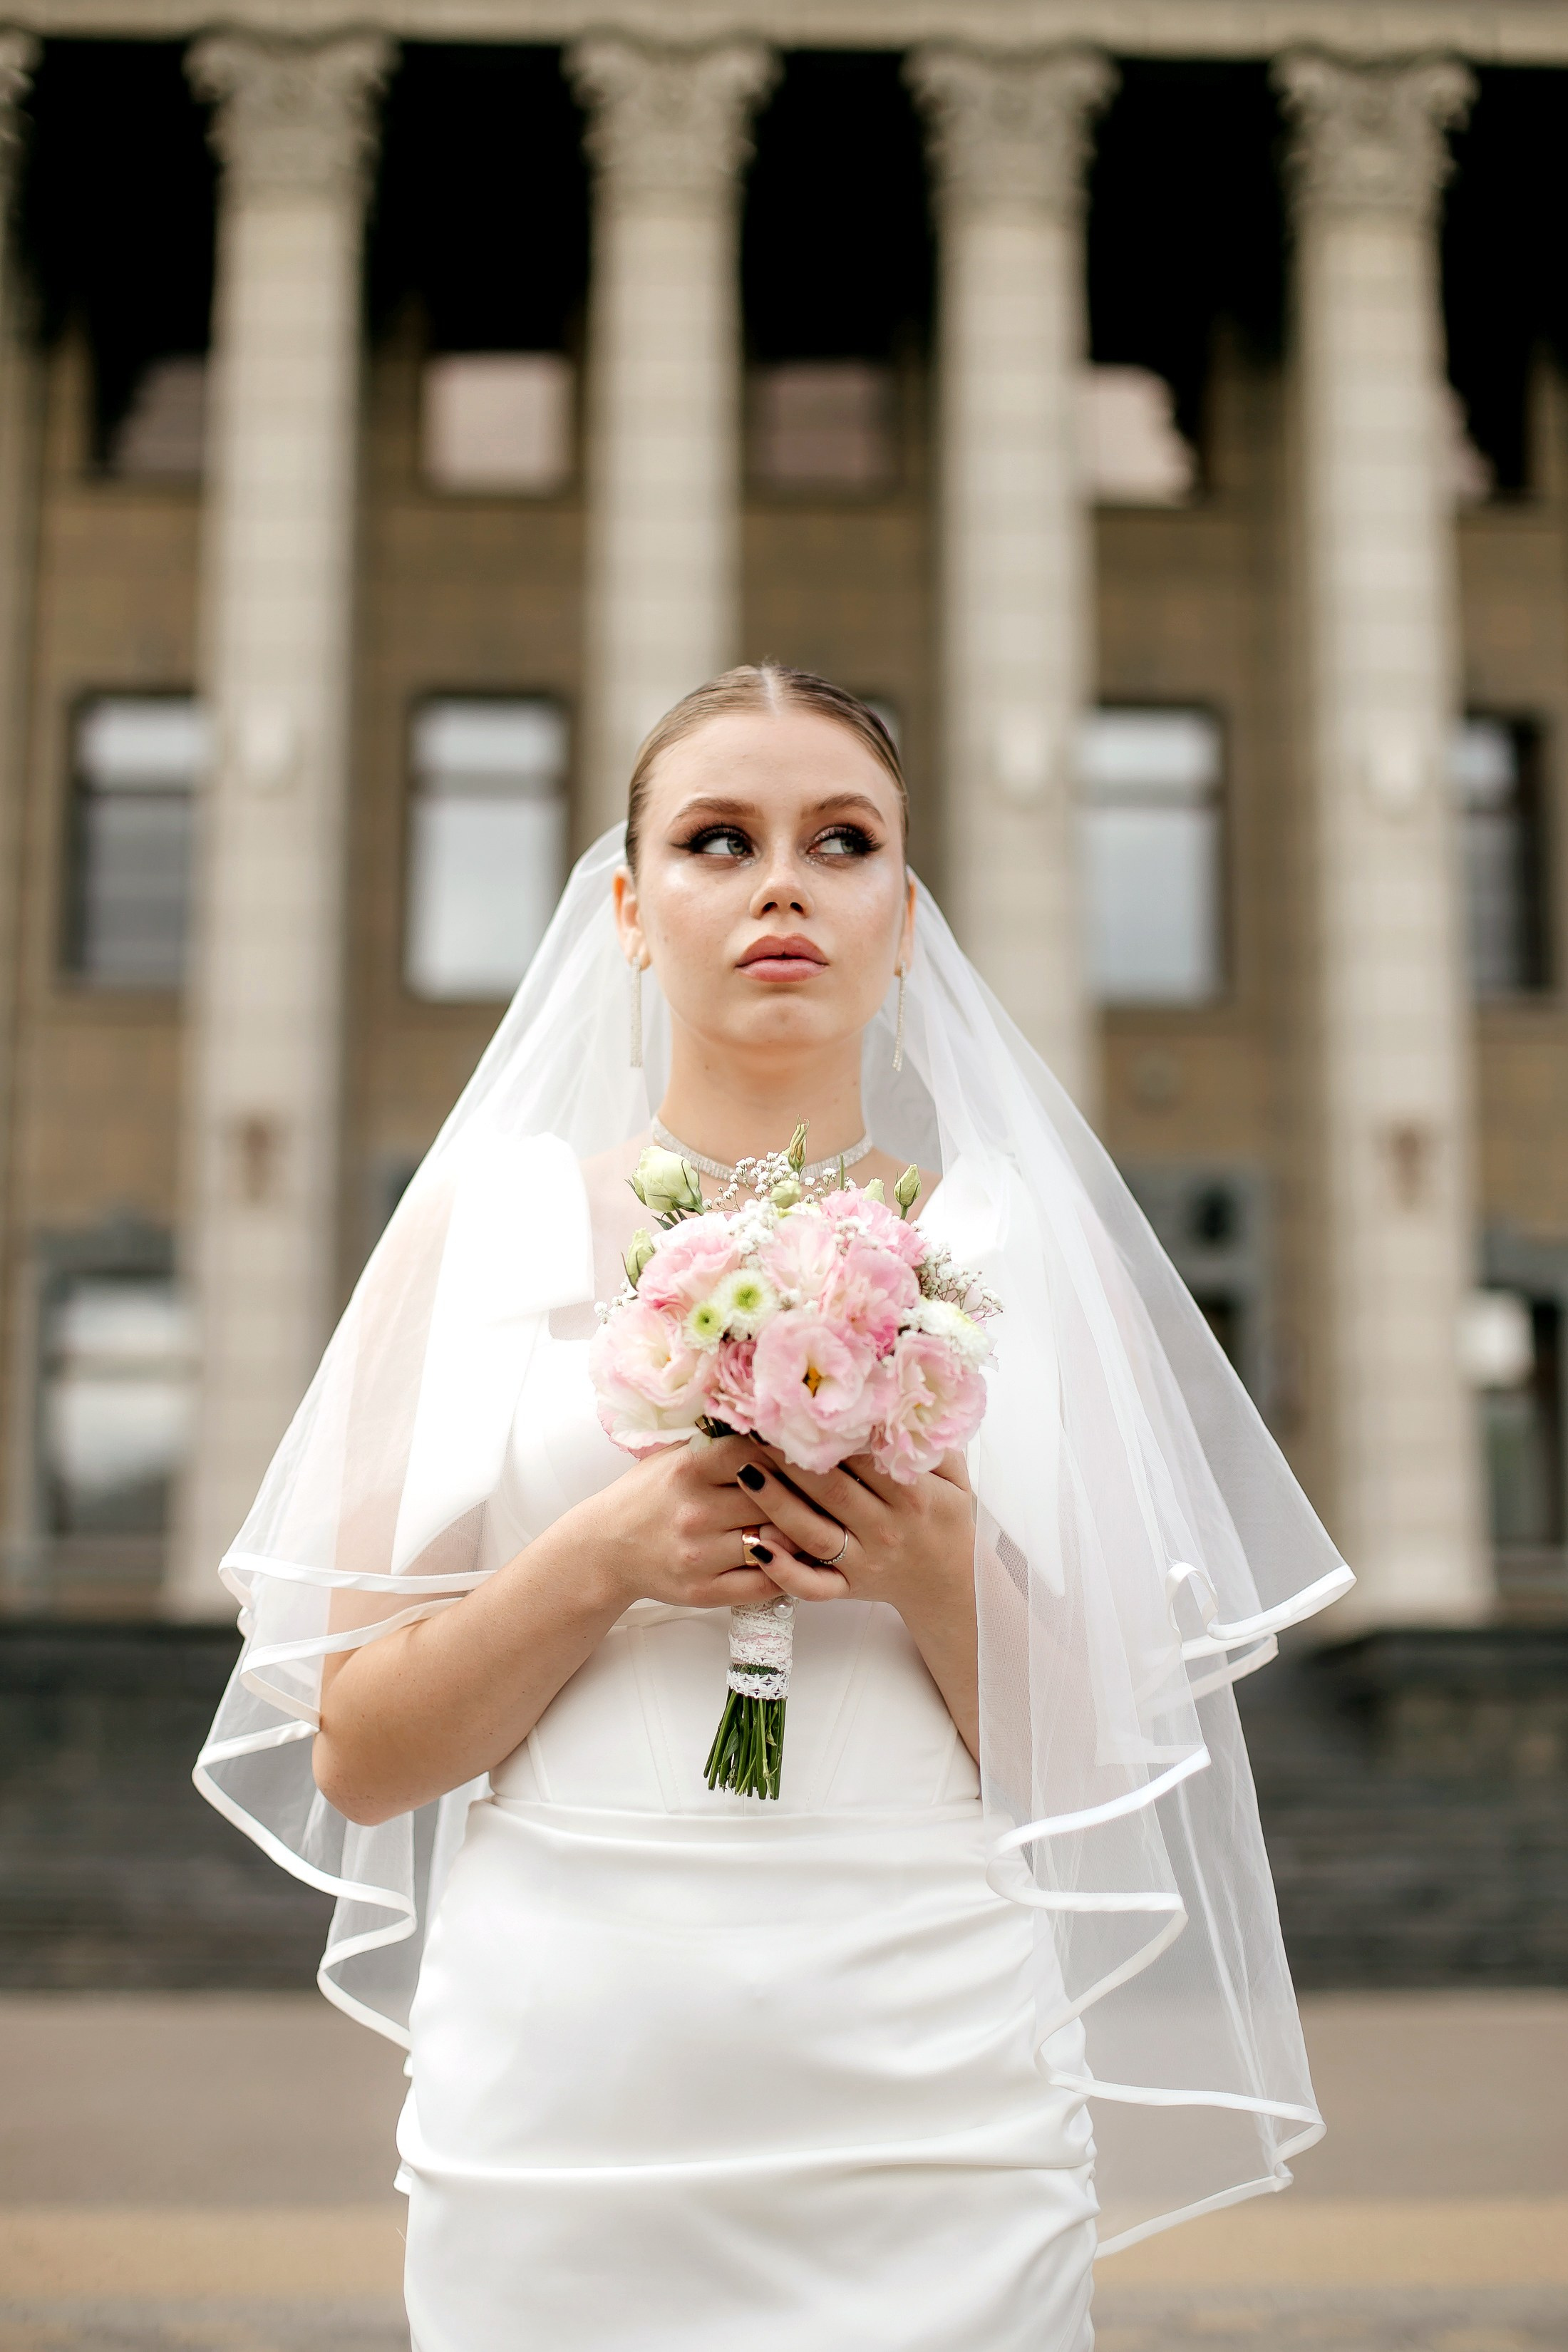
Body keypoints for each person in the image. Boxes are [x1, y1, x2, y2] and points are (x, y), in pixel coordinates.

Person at [196, 665, 1353, 2352]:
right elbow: (361, 1756)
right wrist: (599, 1558)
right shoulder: (486, 1233)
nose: (781, 884)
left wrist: (933, 1564)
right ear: (626, 909)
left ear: (904, 916)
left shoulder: (1010, 1250)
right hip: (571, 2084)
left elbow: (1112, 1780)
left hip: (931, 2077)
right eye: (717, 841)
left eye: (843, 841)